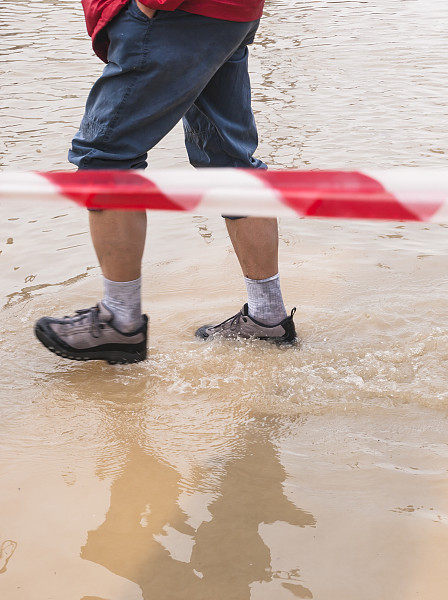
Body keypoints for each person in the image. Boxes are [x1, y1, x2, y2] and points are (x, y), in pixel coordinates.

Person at [33, 0, 295, 365]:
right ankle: (268, 317)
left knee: (104, 161)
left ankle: (119, 322)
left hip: (178, 13)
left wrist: (150, 4)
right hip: (224, 13)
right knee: (230, 164)